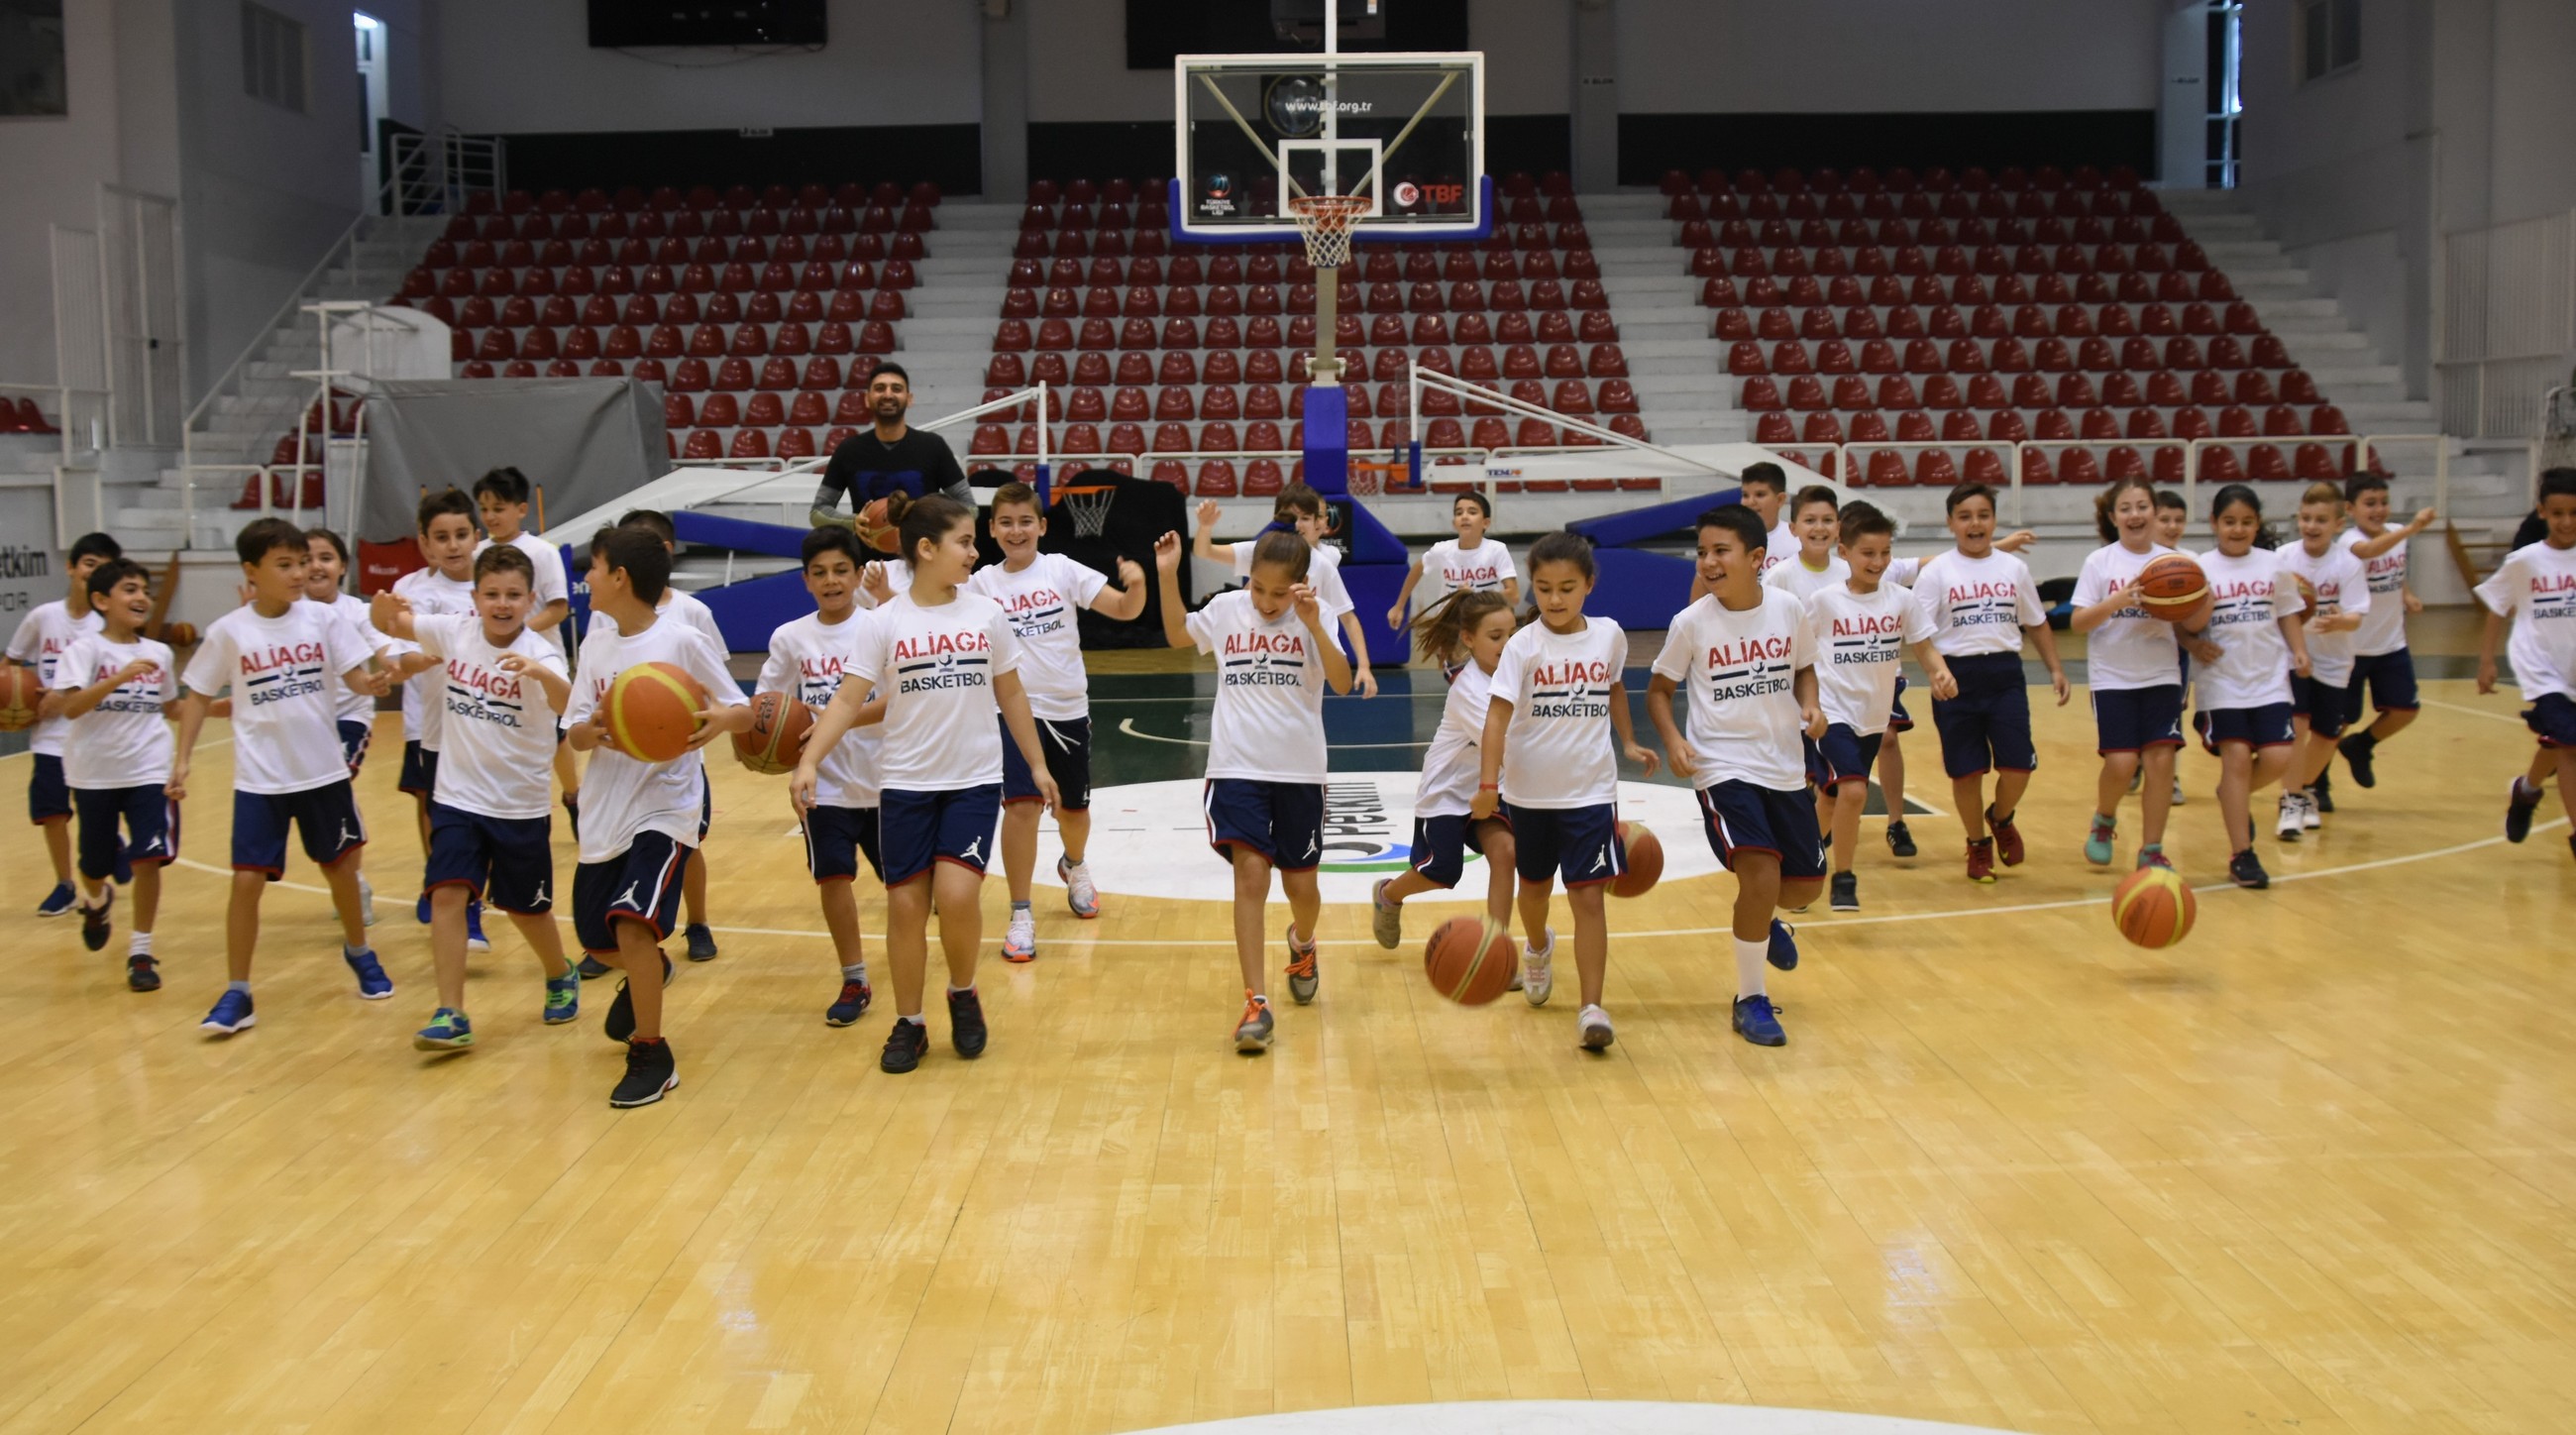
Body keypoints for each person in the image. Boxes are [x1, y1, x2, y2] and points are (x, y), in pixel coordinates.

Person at [792, 494, 1057, 1074]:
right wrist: (809, 759)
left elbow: (1011, 693)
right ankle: (909, 1022)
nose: (974, 550)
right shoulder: (884, 622)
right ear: (926, 549)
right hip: (906, 784)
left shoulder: (984, 613)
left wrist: (1036, 765)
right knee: (907, 908)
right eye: (964, 541)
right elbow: (845, 699)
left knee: (958, 896)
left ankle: (962, 992)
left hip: (972, 780)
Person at [174, 518, 390, 1035]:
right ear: (251, 572)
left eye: (303, 563)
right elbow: (199, 694)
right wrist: (181, 758)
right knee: (247, 881)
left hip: (321, 772)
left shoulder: (323, 619)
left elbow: (355, 674)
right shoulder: (230, 631)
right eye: (285, 565)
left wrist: (376, 682)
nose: (299, 574)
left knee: (340, 871)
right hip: (260, 780)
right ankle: (238, 991)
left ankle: (360, 951)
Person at [562, 525, 751, 1107]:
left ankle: (652, 1051)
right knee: (598, 942)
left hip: (665, 806)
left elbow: (741, 711)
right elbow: (573, 731)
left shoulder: (681, 640)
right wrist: (594, 731)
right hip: (604, 809)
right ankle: (651, 969)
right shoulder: (594, 643)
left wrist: (716, 723)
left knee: (630, 923)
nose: (585, 578)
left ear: (619, 577)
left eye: (593, 567)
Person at [372, 544, 580, 1051]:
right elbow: (397, 625)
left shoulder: (542, 651)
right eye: (492, 594)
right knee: (447, 893)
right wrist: (383, 613)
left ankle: (559, 972)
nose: (502, 604)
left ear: (531, 599)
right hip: (457, 796)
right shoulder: (453, 631)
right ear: (475, 597)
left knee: (526, 910)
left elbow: (570, 706)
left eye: (513, 595)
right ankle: (451, 1011)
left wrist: (542, 675)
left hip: (518, 804)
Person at [1153, 526, 1352, 1052]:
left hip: (1300, 773)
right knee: (1250, 874)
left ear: (1302, 585)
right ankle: (1256, 1002)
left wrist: (1314, 626)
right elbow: (1177, 634)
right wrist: (1168, 575)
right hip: (1236, 765)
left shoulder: (1318, 616)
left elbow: (1343, 682)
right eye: (1258, 588)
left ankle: (1302, 942)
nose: (1266, 601)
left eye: (1278, 592)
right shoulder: (1225, 610)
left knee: (1302, 888)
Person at [1472, 531, 1657, 1052]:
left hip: (1590, 793)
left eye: (1567, 588)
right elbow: (1496, 718)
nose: (1555, 599)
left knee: (1589, 897)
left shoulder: (1609, 635)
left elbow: (1615, 687)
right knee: (1533, 892)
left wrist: (1628, 740)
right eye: (1545, 588)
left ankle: (1592, 1006)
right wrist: (1489, 785)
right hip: (1529, 797)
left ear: (1589, 586)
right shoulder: (1523, 646)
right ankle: (1536, 947)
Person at [1647, 504, 1824, 1046]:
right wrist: (1675, 740)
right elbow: (1659, 689)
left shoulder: (1789, 609)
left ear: (1756, 558)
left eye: (1720, 551)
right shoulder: (1692, 622)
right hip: (1720, 764)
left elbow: (1805, 669)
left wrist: (1811, 707)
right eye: (1702, 552)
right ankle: (1751, 998)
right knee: (1760, 873)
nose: (1708, 561)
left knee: (1801, 889)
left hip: (1784, 764)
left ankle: (1765, 921)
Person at [967, 481, 1148, 960]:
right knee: (1022, 808)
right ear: (992, 530)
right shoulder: (981, 583)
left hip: (1067, 710)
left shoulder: (1062, 570)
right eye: (1005, 522)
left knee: (1074, 812)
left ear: (1042, 526)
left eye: (1025, 521)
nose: (1016, 530)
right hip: (1009, 711)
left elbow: (1125, 609)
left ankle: (1074, 862)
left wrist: (1139, 585)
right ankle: (1021, 913)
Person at [586, 508, 728, 965]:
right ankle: (633, 945)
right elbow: (581, 716)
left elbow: (722, 693)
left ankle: (696, 921)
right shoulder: (600, 631)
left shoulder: (690, 618)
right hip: (614, 785)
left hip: (676, 769)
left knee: (686, 846)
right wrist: (590, 729)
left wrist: (719, 719)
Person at [1911, 482, 2070, 883]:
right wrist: (1935, 671)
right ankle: (1977, 843)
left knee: (2018, 766)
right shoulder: (1937, 572)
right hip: (1956, 678)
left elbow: (2036, 621)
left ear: (1994, 521)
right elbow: (1919, 632)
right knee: (1966, 772)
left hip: (2004, 675)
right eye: (1965, 516)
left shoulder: (2013, 568)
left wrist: (2055, 668)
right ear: (1951, 523)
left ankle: (2000, 817)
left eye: (1983, 515)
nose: (1975, 523)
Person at [1369, 590, 1525, 993]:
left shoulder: (1520, 675)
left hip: (1491, 788)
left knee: (1506, 853)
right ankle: (1388, 894)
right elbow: (1507, 750)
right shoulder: (1470, 690)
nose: (1507, 645)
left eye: (1512, 633)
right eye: (1495, 636)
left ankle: (1497, 949)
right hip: (1447, 792)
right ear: (1469, 639)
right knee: (1442, 872)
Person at [760, 526, 881, 1027]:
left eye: (840, 570)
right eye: (819, 573)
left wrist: (835, 714)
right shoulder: (791, 638)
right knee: (833, 877)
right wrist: (762, 740)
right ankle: (854, 976)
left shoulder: (882, 627)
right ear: (806, 580)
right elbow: (769, 706)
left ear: (857, 575)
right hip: (824, 782)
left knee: (905, 884)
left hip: (885, 778)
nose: (831, 581)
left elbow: (901, 702)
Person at [39, 558, 176, 988]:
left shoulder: (160, 653)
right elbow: (71, 707)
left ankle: (141, 950)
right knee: (93, 865)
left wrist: (227, 706)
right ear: (101, 600)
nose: (141, 598)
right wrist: (118, 677)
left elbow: (171, 707)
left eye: (144, 590)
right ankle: (96, 901)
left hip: (148, 769)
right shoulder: (84, 651)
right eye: (130, 589)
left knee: (148, 858)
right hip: (94, 773)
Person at [1797, 502, 1941, 912]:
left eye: (1885, 553)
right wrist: (1806, 705)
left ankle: (1802, 861)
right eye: (1868, 553)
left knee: (1830, 798)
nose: (1878, 562)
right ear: (1844, 553)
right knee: (1855, 790)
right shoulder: (1824, 601)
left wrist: (1940, 672)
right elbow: (1799, 655)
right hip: (1832, 715)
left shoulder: (1901, 599)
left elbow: (1924, 645)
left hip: (1873, 717)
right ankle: (1844, 878)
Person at [2183, 486, 2311, 889]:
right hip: (2222, 681)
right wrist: (2192, 643)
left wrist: (2300, 650)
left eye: (2246, 522)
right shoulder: (2198, 567)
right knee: (2236, 758)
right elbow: (2181, 622)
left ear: (2258, 524)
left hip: (2270, 679)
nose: (2237, 529)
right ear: (2214, 524)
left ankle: (2231, 796)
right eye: (2229, 521)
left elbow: (2288, 611)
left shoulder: (2273, 565)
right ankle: (2243, 854)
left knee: (2278, 758)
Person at [2067, 477, 2185, 871]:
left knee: (2161, 763)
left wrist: (2197, 605)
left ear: (2154, 511)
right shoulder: (2100, 562)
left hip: (2162, 674)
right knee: (2120, 765)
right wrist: (2116, 601)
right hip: (2113, 677)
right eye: (2126, 508)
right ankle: (2104, 818)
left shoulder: (2177, 564)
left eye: (2142, 506)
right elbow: (2079, 621)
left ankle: (2152, 848)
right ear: (2113, 516)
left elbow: (2195, 621)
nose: (2135, 514)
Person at [389, 489, 483, 947]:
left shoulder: (494, 585)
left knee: (486, 819)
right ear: (425, 543)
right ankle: (449, 890)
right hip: (436, 727)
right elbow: (400, 656)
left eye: (461, 535)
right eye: (441, 537)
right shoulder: (414, 593)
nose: (452, 545)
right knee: (440, 813)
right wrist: (416, 660)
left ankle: (475, 896)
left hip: (491, 726)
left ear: (476, 536)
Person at [9, 530, 119, 917]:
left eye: (104, 569)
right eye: (89, 564)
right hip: (48, 737)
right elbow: (11, 662)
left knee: (94, 811)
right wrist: (15, 699)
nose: (93, 574)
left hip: (91, 734)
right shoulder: (43, 617)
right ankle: (64, 884)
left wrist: (64, 697)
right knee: (52, 812)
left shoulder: (106, 627)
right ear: (71, 567)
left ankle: (113, 846)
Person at [1194, 486, 1378, 698]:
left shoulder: (1323, 563)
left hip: (1300, 656)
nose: (1298, 525)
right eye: (1292, 518)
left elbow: (1348, 618)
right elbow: (1204, 551)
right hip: (1258, 650)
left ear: (1319, 522)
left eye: (1305, 518)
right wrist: (1205, 527)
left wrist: (1364, 666)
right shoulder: (1260, 551)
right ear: (1277, 518)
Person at [303, 528, 396, 927]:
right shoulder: (292, 613)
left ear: (342, 566)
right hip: (305, 723)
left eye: (325, 557)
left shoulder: (356, 611)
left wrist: (392, 663)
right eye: (305, 558)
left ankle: (354, 882)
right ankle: (345, 876)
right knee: (318, 802)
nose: (315, 566)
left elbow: (382, 645)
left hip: (348, 720)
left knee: (336, 784)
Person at [2482, 467, 2576, 858]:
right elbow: (2497, 606)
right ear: (2542, 512)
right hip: (2541, 666)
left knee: (2556, 744)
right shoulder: (2526, 560)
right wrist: (2486, 659)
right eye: (2557, 514)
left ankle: (2526, 791)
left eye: (2574, 513)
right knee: (2570, 745)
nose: (2566, 521)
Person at [472, 466, 581, 803]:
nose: (490, 516)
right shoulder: (477, 553)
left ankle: (573, 795)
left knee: (555, 735)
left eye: (499, 508)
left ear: (521, 509)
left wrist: (516, 632)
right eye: (485, 509)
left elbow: (558, 608)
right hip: (493, 661)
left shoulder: (542, 552)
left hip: (540, 659)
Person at [2273, 483, 2372, 837]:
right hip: (2292, 655)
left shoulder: (2347, 564)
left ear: (2338, 524)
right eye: (2306, 518)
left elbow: (2357, 614)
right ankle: (2291, 799)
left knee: (2328, 735)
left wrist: (2339, 621)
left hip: (2334, 659)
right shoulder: (2283, 558)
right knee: (2297, 728)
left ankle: (2304, 788)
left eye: (2320, 520)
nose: (2311, 526)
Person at [2332, 474, 2438, 792]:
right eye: (2370, 504)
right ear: (2350, 508)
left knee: (2406, 710)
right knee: (2339, 721)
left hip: (2391, 643)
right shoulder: (2348, 541)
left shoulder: (2396, 534)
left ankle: (2361, 746)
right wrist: (2413, 527)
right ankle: (2316, 781)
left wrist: (2405, 593)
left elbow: (2394, 566)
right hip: (2352, 646)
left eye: (2383, 502)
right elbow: (2369, 552)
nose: (2378, 510)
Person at [807, 363, 973, 539]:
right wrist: (852, 522)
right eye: (880, 388)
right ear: (867, 398)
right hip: (867, 562)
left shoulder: (933, 446)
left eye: (896, 388)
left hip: (923, 560)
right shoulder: (849, 449)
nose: (888, 394)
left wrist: (934, 523)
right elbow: (818, 511)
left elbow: (970, 507)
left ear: (909, 398)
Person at [1385, 492, 1520, 630]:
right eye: (1459, 513)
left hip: (1484, 623)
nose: (1465, 516)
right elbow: (1418, 567)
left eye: (1472, 512)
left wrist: (1474, 597)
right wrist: (1399, 606)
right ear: (1454, 523)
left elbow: (1514, 595)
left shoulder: (1497, 550)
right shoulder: (1443, 549)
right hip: (1450, 624)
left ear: (1486, 523)